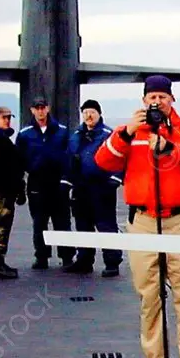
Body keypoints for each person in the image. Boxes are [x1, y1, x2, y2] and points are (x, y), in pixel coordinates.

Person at [94, 75, 180, 358]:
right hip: (144, 221)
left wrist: (172, 149)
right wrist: (126, 132)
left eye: (163, 96)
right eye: (152, 97)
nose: (157, 102)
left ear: (172, 100)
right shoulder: (131, 132)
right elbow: (102, 161)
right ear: (143, 100)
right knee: (149, 295)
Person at [61, 99, 124, 276]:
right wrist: (66, 181)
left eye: (92, 112)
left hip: (102, 186)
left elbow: (121, 156)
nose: (89, 116)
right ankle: (84, 260)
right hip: (81, 187)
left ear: (99, 114)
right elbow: (69, 158)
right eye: (86, 112)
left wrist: (115, 178)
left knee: (105, 225)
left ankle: (112, 262)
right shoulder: (76, 135)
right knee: (82, 224)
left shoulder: (108, 134)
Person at [14, 95, 75, 269]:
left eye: (43, 107)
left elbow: (69, 156)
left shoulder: (62, 131)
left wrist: (67, 180)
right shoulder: (25, 135)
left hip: (57, 183)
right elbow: (19, 160)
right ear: (32, 110)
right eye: (37, 108)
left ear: (47, 109)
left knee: (62, 221)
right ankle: (41, 256)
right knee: (39, 222)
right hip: (37, 182)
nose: (40, 111)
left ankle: (66, 256)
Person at [0, 107, 26, 279]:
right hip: (1, 192)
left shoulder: (2, 138)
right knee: (0, 228)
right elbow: (9, 168)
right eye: (3, 117)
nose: (7, 120)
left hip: (4, 190)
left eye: (9, 117)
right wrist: (17, 187)